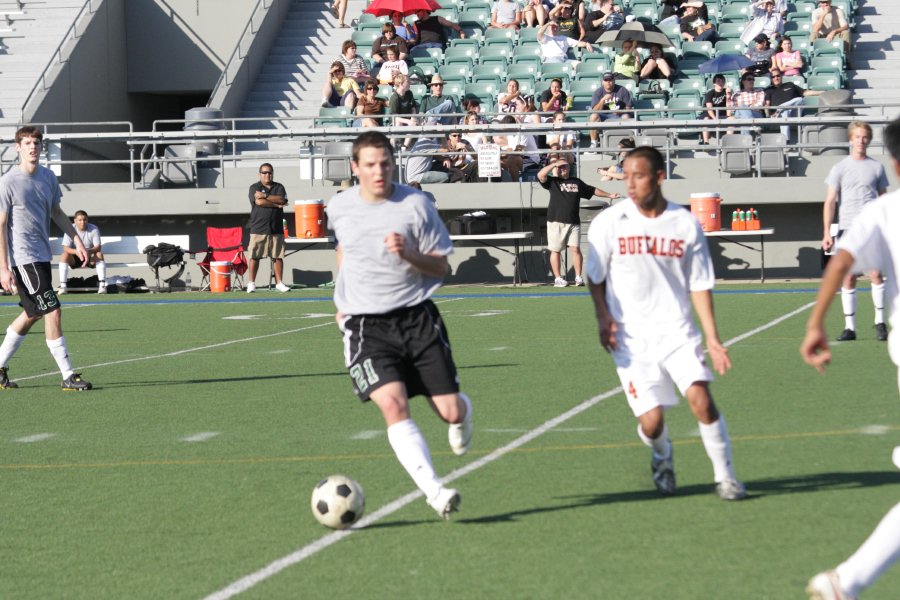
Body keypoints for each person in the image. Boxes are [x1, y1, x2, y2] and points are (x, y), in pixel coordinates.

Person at [325, 130, 473, 520]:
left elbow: (441, 265)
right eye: (370, 165)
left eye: (385, 164)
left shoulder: (416, 206)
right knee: (392, 404)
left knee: (451, 412)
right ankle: (435, 491)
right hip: (365, 326)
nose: (379, 172)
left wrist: (409, 254)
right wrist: (341, 301)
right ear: (355, 167)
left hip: (415, 318)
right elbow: (344, 250)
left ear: (394, 163)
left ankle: (462, 414)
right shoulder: (339, 207)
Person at [585, 145, 746, 501]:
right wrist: (603, 317)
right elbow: (594, 277)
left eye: (638, 176)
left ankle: (727, 477)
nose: (630, 184)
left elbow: (700, 284)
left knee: (702, 401)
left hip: (676, 331)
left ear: (659, 177)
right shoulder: (609, 222)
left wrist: (714, 339)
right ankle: (662, 456)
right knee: (652, 423)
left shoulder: (684, 223)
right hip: (629, 339)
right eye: (625, 176)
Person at [800, 116, 900, 600]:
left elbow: (841, 261)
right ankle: (848, 580)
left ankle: (847, 581)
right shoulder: (878, 206)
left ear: (893, 163)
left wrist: (814, 322)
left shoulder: (885, 210)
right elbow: (841, 259)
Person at [0, 126, 93, 391]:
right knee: (53, 309)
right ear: (18, 147)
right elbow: (1, 225)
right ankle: (67, 375)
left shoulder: (48, 178)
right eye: (27, 143)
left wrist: (76, 239)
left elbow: (57, 212)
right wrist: (3, 268)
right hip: (23, 259)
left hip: (42, 256)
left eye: (36, 143)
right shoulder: (7, 182)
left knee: (33, 314)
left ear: (42, 147)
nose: (32, 147)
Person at [821, 121, 889, 341]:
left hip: (871, 228)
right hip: (847, 229)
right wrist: (827, 233)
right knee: (848, 278)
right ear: (850, 139)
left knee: (876, 274)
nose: (861, 141)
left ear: (868, 139)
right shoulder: (840, 168)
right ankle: (849, 327)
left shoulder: (877, 167)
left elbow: (882, 200)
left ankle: (880, 324)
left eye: (864, 137)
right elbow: (830, 201)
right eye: (857, 137)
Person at [539, 157, 620, 287]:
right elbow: (541, 175)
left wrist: (609, 195)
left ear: (570, 168)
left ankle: (578, 277)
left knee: (576, 249)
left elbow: (592, 190)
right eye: (561, 167)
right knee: (556, 250)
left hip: (573, 221)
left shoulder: (576, 182)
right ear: (557, 169)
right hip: (556, 221)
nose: (563, 168)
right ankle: (558, 278)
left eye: (565, 166)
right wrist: (554, 164)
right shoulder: (552, 182)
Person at [246, 163, 290, 293]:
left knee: (277, 256)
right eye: (264, 172)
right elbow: (259, 202)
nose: (267, 175)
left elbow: (282, 199)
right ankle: (251, 283)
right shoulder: (254, 187)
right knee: (255, 256)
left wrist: (265, 196)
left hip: (276, 227)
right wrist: (276, 205)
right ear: (259, 174)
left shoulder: (279, 186)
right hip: (259, 227)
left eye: (269, 172)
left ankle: (279, 283)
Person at [763, 69, 822, 141]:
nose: (776, 78)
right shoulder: (769, 90)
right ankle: (786, 140)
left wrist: (823, 92)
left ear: (781, 76)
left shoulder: (790, 84)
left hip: (794, 111)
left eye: (778, 76)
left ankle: (780, 108)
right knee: (785, 112)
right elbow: (767, 104)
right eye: (773, 77)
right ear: (771, 79)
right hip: (778, 115)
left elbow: (806, 93)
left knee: (800, 99)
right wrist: (769, 113)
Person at [58, 210, 106, 295]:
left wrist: (88, 251)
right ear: (75, 220)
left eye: (85, 220)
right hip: (74, 258)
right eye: (80, 220)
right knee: (64, 255)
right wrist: (76, 252)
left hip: (89, 257)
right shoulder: (70, 229)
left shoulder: (93, 229)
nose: (82, 222)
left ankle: (102, 286)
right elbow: (65, 248)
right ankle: (63, 287)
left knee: (99, 254)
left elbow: (98, 247)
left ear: (87, 220)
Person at [587, 72, 633, 149]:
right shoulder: (598, 92)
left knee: (626, 116)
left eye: (610, 80)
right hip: (603, 115)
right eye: (606, 80)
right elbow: (594, 110)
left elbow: (628, 108)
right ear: (602, 82)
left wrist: (620, 111)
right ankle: (594, 143)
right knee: (593, 116)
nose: (608, 82)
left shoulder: (622, 90)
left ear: (614, 80)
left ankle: (626, 142)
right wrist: (602, 100)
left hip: (619, 115)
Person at [700, 73, 731, 144]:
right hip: (709, 115)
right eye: (719, 81)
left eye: (723, 81)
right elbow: (709, 108)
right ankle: (706, 142)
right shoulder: (710, 93)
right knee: (706, 120)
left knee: (732, 119)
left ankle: (729, 141)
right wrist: (714, 118)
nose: (721, 83)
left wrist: (728, 96)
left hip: (721, 114)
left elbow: (729, 107)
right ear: (714, 83)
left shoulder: (727, 92)